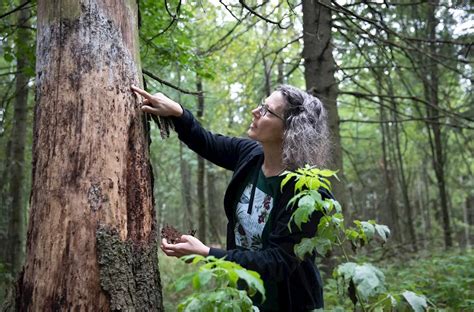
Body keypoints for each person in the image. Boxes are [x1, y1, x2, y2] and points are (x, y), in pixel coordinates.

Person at [131, 84, 332, 311]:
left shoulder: (306, 191)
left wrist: (207, 253)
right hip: (243, 299)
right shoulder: (251, 155)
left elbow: (279, 261)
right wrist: (177, 112)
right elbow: (206, 142)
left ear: (290, 129)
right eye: (261, 105)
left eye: (267, 111)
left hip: (287, 303)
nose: (256, 111)